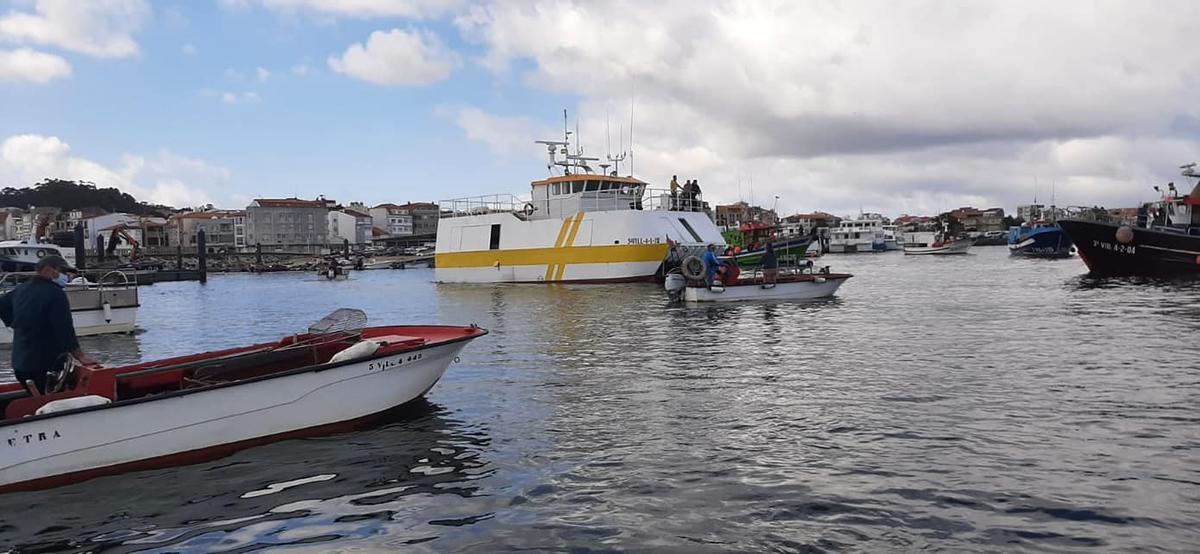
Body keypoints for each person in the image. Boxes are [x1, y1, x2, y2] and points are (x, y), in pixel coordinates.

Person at [0, 255, 96, 394]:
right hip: (45, 364)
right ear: (48, 269)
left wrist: (15, 323)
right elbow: (65, 328)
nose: (65, 275)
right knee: (52, 398)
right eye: (62, 271)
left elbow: (2, 305)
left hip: (20, 365)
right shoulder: (55, 294)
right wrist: (80, 356)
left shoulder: (21, 289)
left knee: (35, 396)